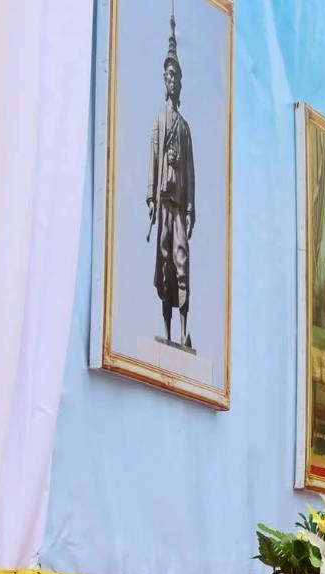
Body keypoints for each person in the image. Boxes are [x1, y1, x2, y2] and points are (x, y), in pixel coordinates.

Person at [147, 14, 195, 348]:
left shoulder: (185, 128)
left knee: (181, 262)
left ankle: (183, 330)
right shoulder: (159, 120)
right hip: (163, 203)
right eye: (169, 75)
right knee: (164, 263)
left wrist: (190, 209)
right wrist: (151, 198)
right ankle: (166, 333)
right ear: (164, 80)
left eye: (176, 75)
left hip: (178, 206)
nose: (172, 80)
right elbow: (152, 160)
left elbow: (190, 172)